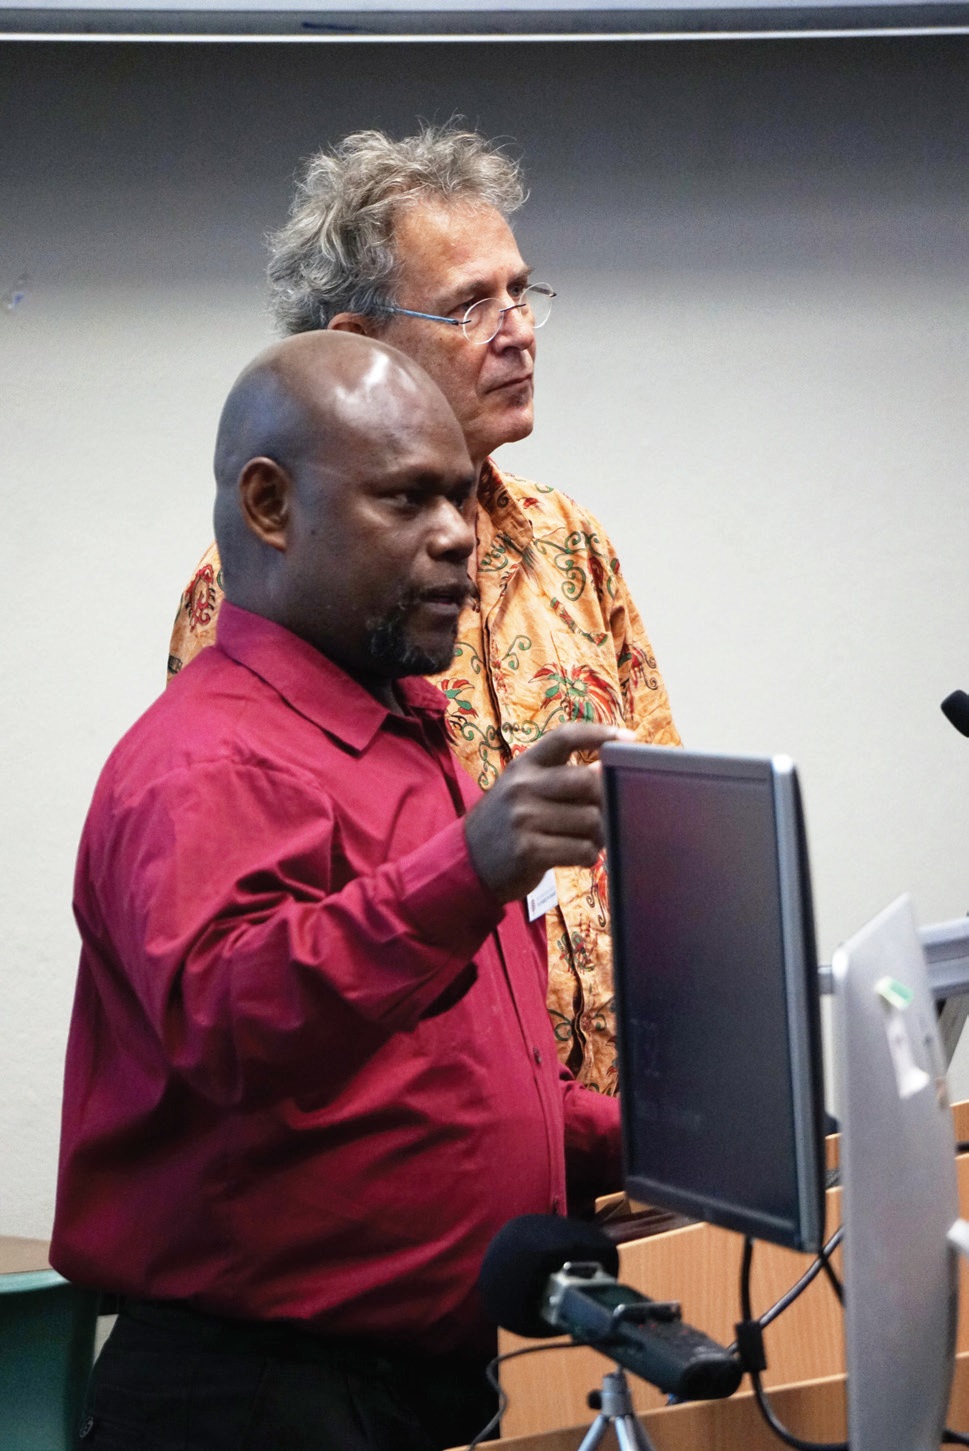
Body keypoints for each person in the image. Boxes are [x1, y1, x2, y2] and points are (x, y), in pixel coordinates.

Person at [52, 331, 623, 1451]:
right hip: (256, 1402)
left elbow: (441, 1085)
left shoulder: (404, 741)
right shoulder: (210, 760)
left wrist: (669, 1132)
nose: (458, 536)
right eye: (407, 499)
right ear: (269, 505)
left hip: (406, 1392)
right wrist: (470, 869)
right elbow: (229, 1018)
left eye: (460, 497)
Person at [168, 125, 681, 1096]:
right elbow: (265, 959)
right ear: (359, 347)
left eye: (521, 291)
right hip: (428, 1138)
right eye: (469, 305)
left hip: (615, 1127)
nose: (517, 329)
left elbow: (659, 819)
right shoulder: (266, 580)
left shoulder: (571, 541)